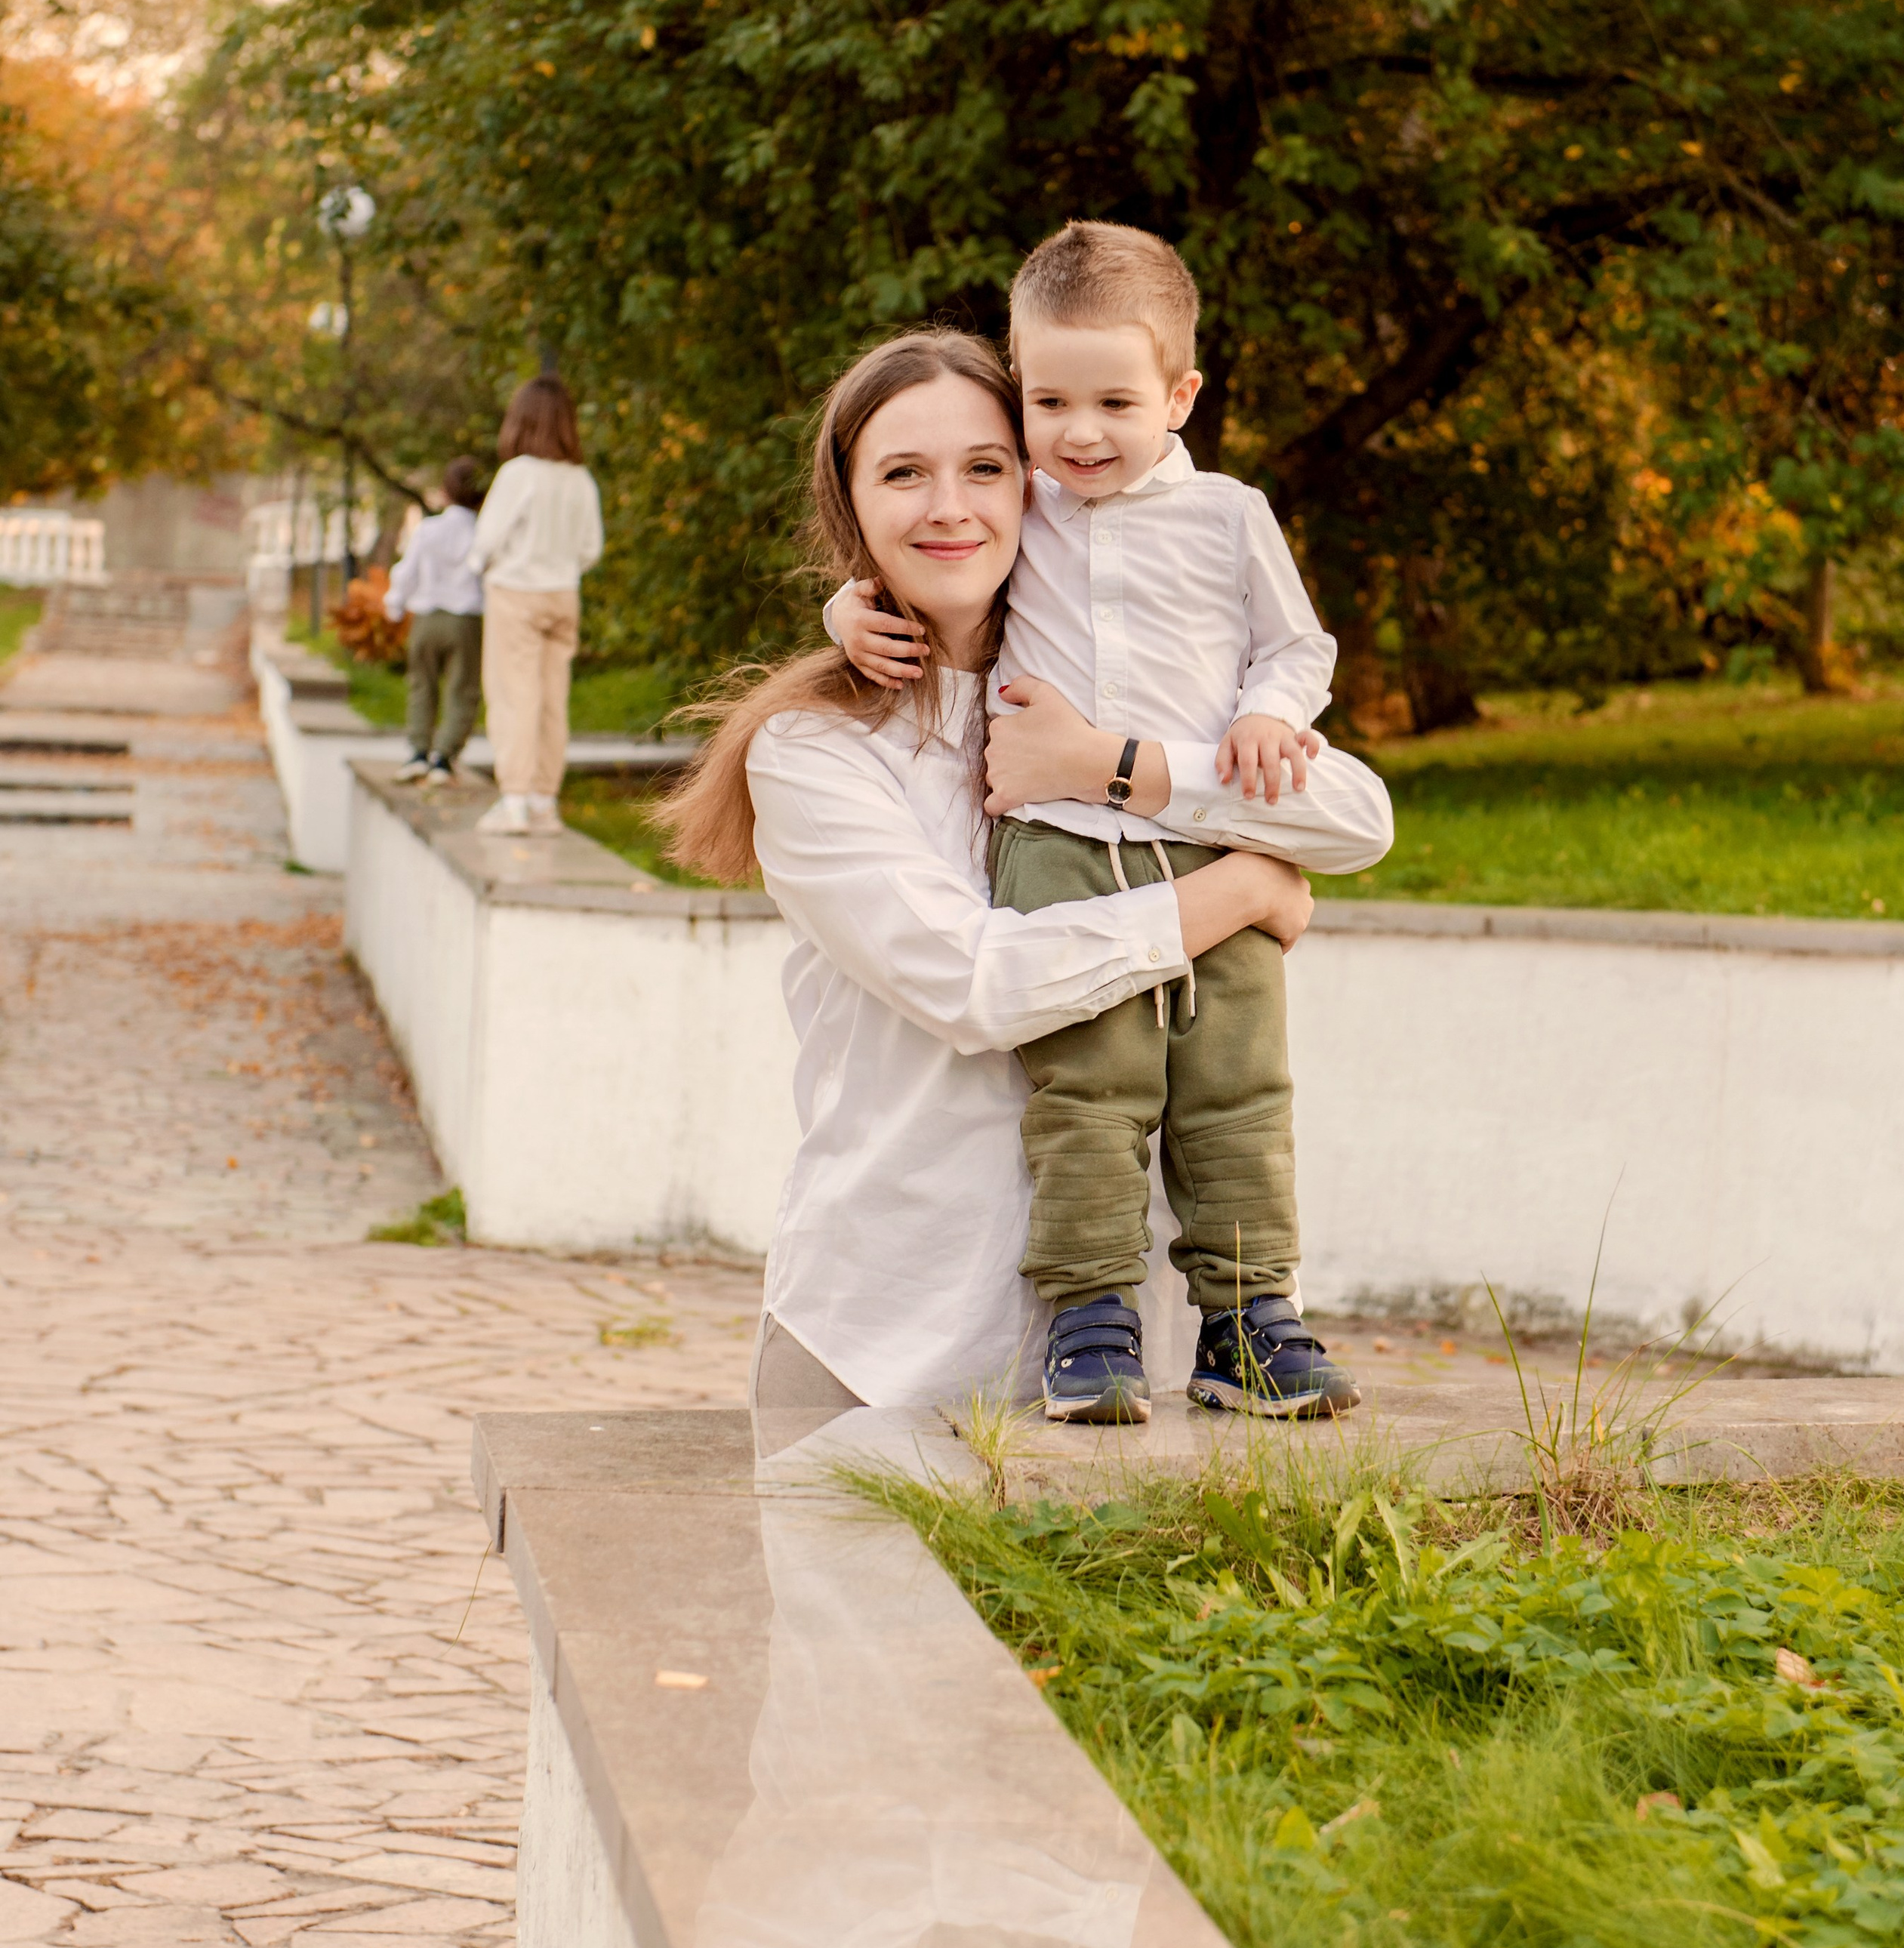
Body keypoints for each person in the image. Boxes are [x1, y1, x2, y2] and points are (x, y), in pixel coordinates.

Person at [667, 327, 1393, 1435]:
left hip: (1115, 1370)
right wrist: (1240, 893)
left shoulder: (1114, 706)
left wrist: (1115, 766)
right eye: (902, 473)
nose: (949, 505)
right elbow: (979, 986)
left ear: (1041, 484)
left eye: (985, 467)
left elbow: (1355, 814)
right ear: (851, 508)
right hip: (882, 1345)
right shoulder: (815, 751)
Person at [468, 375, 603, 837]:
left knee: (513, 695)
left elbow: (486, 539)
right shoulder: (580, 479)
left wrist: (478, 565)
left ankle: (515, 802)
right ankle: (545, 802)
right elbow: (591, 548)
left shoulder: (518, 473)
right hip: (563, 595)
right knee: (551, 697)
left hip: (516, 593)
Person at [381, 458, 486, 785]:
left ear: (444, 493)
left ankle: (417, 753)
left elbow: (406, 571)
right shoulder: (482, 533)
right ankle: (444, 757)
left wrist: (395, 605)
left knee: (421, 683)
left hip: (426, 618)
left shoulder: (428, 529)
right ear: (482, 498)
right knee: (463, 688)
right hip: (465, 620)